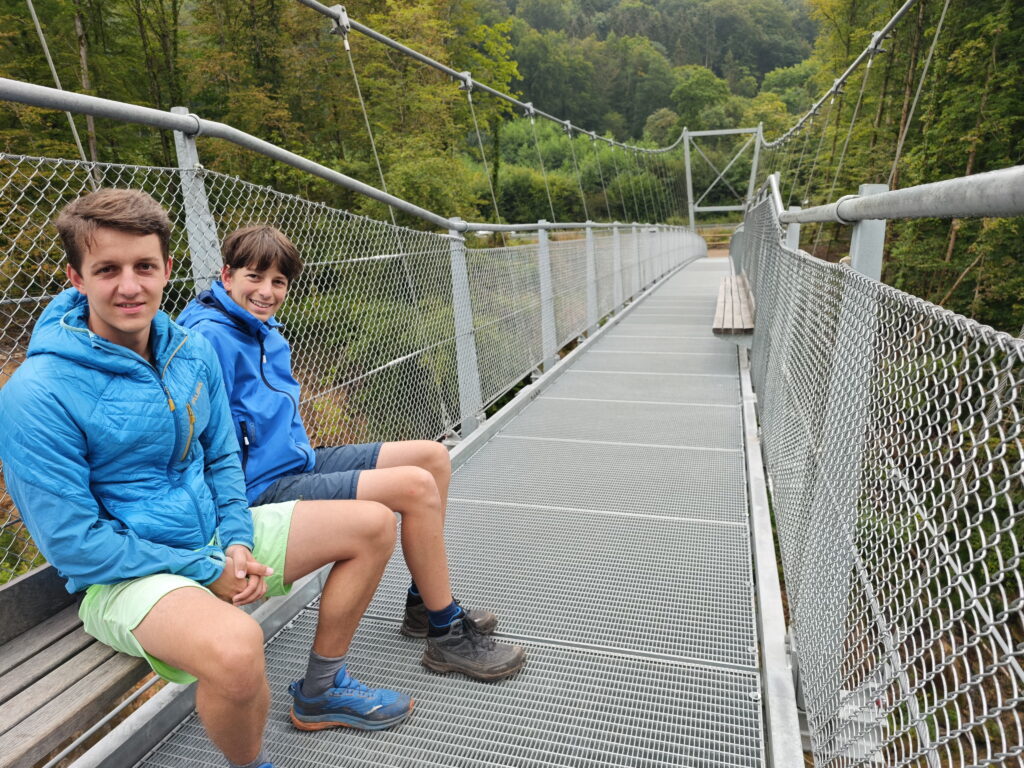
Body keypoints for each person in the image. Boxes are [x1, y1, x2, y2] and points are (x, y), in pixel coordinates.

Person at [0, 190, 414, 768]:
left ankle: (320, 691)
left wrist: (237, 541)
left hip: (213, 542)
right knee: (237, 645)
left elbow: (222, 462)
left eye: (144, 266)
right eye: (107, 270)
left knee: (372, 524)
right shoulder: (36, 392)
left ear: (167, 268)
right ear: (76, 277)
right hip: (123, 576)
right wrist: (207, 569)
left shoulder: (189, 352)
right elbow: (75, 544)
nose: (129, 286)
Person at [178, 225, 525, 681]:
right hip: (258, 486)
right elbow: (200, 440)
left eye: (278, 282)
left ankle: (424, 603)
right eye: (254, 277)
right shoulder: (208, 338)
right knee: (415, 487)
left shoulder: (261, 330)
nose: (266, 291)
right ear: (226, 276)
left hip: (295, 461)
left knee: (431, 458)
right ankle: (445, 635)